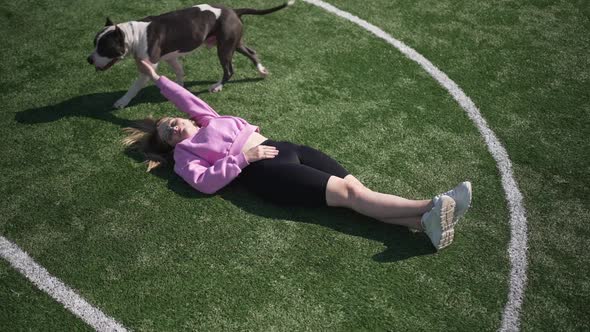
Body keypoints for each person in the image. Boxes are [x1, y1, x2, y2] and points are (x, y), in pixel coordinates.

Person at [123, 59, 472, 250]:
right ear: (170, 145)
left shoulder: (206, 118)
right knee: (352, 195)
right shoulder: (185, 157)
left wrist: (156, 77)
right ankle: (431, 205)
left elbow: (184, 98)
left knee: (358, 193)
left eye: (170, 121)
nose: (171, 126)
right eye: (166, 133)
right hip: (266, 174)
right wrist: (246, 158)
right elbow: (204, 183)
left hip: (288, 149)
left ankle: (424, 225)